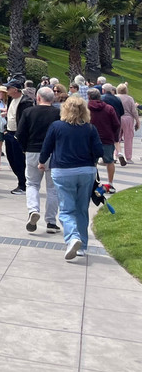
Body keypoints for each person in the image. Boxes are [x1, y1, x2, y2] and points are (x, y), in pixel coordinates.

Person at [39, 95, 103, 260]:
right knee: (82, 209)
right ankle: (82, 245)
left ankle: (72, 237)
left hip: (63, 170)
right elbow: (99, 152)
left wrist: (41, 162)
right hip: (86, 171)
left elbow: (47, 147)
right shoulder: (90, 128)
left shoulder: (57, 126)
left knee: (67, 209)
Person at [18, 86, 62, 234]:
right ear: (53, 99)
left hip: (32, 150)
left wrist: (24, 148)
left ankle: (33, 210)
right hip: (53, 153)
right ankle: (50, 221)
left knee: (32, 184)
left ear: (38, 98)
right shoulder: (58, 113)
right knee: (52, 189)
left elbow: (20, 133)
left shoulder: (28, 112)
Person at [86, 87, 120, 192]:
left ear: (89, 97)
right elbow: (116, 124)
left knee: (92, 162)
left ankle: (91, 184)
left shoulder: (86, 108)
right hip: (107, 137)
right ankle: (110, 184)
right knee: (109, 161)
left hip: (90, 138)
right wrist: (115, 136)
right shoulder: (109, 108)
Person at [3, 80, 32, 194]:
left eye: (9, 88)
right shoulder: (11, 99)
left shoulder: (25, 101)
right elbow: (10, 115)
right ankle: (21, 181)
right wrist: (5, 129)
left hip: (18, 134)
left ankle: (23, 184)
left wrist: (20, 134)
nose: (7, 90)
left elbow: (25, 120)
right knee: (11, 159)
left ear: (15, 89)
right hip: (9, 132)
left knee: (19, 160)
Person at [116, 83, 138, 164]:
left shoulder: (116, 98)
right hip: (128, 119)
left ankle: (117, 154)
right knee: (128, 138)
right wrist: (137, 121)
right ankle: (128, 157)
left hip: (117, 118)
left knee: (116, 138)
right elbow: (134, 111)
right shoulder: (129, 98)